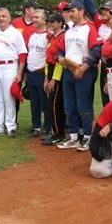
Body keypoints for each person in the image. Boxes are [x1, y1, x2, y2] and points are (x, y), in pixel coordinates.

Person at [56, 0, 102, 150]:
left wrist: (83, 68)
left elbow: (96, 51)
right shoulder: (69, 30)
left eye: (73, 10)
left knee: (83, 104)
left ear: (82, 11)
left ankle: (87, 136)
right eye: (69, 11)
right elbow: (60, 49)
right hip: (68, 70)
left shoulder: (90, 28)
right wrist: (60, 58)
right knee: (69, 105)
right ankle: (74, 136)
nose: (70, 14)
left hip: (84, 71)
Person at [0, 8, 27, 138]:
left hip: (10, 66)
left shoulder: (15, 33)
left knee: (9, 98)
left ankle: (11, 127)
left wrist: (19, 73)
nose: (1, 18)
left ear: (9, 18)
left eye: (4, 16)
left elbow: (22, 54)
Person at [25, 9, 50, 138]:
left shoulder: (49, 36)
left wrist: (47, 77)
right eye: (33, 17)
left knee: (44, 102)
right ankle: (36, 126)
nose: (34, 19)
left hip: (41, 73)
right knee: (34, 102)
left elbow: (49, 58)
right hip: (31, 73)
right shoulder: (32, 35)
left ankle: (47, 127)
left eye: (37, 17)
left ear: (44, 20)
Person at [43, 13, 67, 145]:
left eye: (53, 22)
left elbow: (59, 61)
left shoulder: (62, 37)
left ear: (60, 23)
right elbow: (48, 60)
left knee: (54, 104)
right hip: (51, 70)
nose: (50, 24)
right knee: (52, 104)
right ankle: (55, 131)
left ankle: (59, 133)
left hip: (59, 72)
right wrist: (47, 78)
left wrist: (55, 79)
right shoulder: (52, 38)